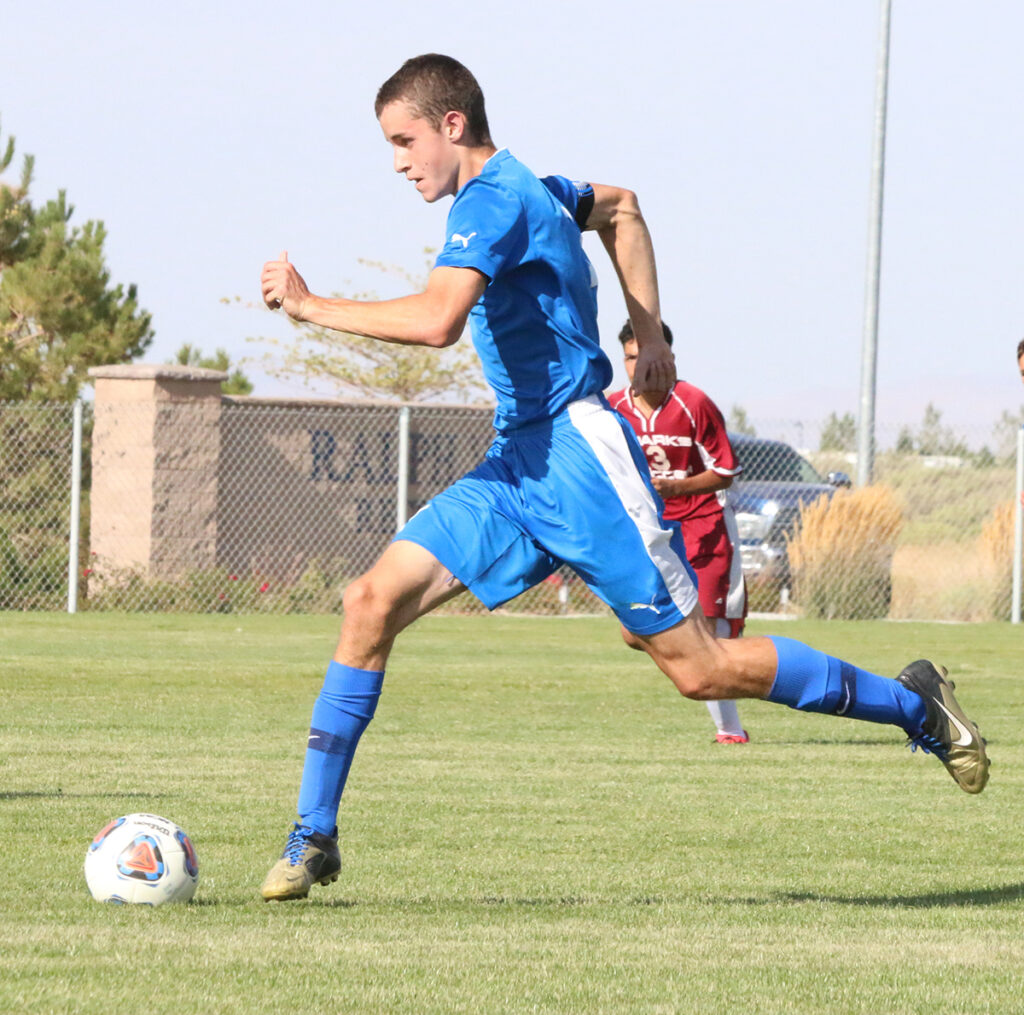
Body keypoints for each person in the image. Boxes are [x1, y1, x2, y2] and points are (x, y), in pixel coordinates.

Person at [258, 54, 990, 902]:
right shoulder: (540, 188)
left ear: (452, 124)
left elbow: (435, 322)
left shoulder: (492, 202)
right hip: (516, 462)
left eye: (403, 140)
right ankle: (313, 836)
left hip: (579, 462)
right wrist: (651, 332)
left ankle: (915, 703)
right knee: (368, 602)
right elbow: (623, 207)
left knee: (701, 670)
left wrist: (311, 305)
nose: (397, 162)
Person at [609, 321, 749, 744]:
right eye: (630, 357)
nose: (639, 365)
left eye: (646, 355)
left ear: (667, 358)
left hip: (701, 526)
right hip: (648, 532)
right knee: (633, 631)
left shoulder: (692, 403)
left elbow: (725, 471)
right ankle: (748, 672)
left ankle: (731, 730)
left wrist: (678, 487)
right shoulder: (613, 407)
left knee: (712, 633)